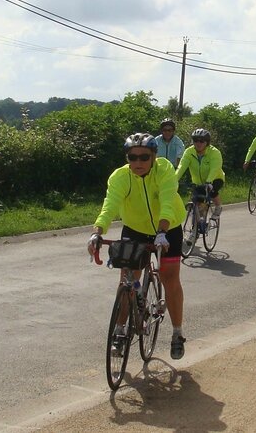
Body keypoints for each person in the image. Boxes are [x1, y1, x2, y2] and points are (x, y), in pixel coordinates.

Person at [87, 132, 188, 360]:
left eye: (144, 157)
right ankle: (120, 331)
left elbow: (167, 202)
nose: (138, 162)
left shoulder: (165, 171)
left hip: (168, 227)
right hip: (134, 228)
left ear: (153, 156)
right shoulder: (120, 177)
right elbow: (109, 206)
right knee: (127, 281)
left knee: (169, 279)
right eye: (132, 157)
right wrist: (97, 232)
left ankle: (177, 333)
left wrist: (162, 231)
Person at [175, 128, 226, 221]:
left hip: (215, 178)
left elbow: (215, 168)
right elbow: (181, 167)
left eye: (201, 141)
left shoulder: (214, 152)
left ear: (207, 142)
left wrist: (209, 181)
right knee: (198, 202)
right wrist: (174, 180)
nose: (198, 143)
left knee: (212, 191)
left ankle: (218, 207)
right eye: (195, 140)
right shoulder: (189, 152)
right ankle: (197, 227)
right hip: (198, 181)